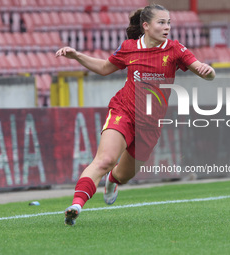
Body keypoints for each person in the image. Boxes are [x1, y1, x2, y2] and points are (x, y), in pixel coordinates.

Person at [55, 4, 215, 226]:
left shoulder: (175, 49)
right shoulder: (129, 48)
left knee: (123, 175)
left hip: (150, 124)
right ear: (146, 26)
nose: (167, 27)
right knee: (105, 160)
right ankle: (76, 205)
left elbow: (200, 69)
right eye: (161, 22)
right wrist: (76, 55)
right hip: (124, 111)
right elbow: (104, 68)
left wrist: (208, 72)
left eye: (169, 23)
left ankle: (112, 180)